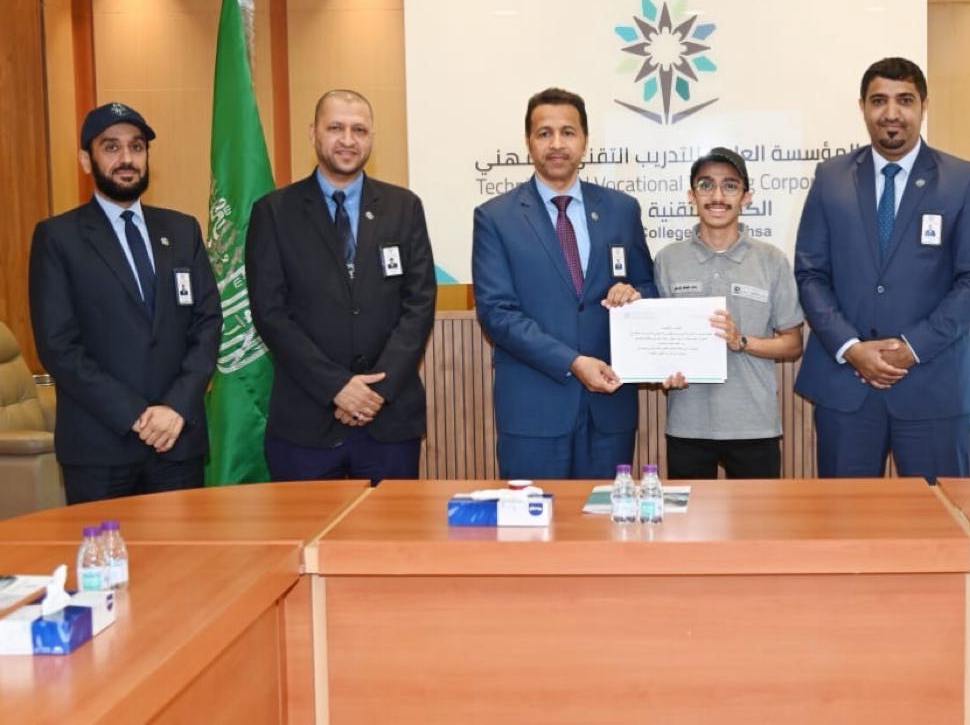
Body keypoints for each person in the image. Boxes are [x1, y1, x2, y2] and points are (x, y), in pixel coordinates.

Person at [793, 57, 970, 481]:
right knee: (844, 518)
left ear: (924, 106)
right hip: (846, 386)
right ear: (862, 107)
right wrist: (851, 347)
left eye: (905, 100)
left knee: (938, 516)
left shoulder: (964, 180)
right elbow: (811, 273)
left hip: (932, 385)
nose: (891, 113)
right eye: (878, 100)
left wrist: (912, 347)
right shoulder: (830, 178)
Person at [28, 102, 221, 503]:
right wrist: (135, 414)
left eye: (136, 147)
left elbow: (207, 323)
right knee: (105, 547)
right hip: (100, 447)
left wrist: (175, 407)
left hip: (176, 440)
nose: (127, 159)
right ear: (86, 160)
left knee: (184, 546)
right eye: (111, 147)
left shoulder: (182, 230)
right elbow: (58, 346)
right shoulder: (58, 238)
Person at [246, 89, 436, 483]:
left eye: (359, 130)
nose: (348, 140)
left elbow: (419, 305)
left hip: (388, 418)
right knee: (307, 526)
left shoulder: (404, 207)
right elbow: (270, 313)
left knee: (392, 526)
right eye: (335, 128)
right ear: (312, 133)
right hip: (305, 421)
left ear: (372, 137)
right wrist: (336, 386)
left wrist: (375, 391)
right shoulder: (273, 212)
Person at [472, 87, 655, 479]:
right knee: (535, 517)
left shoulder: (622, 210)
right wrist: (572, 362)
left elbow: (647, 286)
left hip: (610, 408)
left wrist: (634, 295)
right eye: (545, 133)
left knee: (606, 515)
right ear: (528, 142)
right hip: (533, 412)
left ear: (584, 140)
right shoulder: (495, 217)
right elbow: (497, 314)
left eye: (568, 132)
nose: (557, 144)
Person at [656, 148, 804, 479]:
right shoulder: (667, 260)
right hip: (688, 425)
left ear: (746, 197)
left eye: (730, 186)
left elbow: (793, 344)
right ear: (691, 196)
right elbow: (658, 340)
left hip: (755, 425)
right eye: (706, 185)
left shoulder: (771, 260)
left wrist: (741, 341)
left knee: (761, 516)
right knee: (690, 516)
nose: (717, 196)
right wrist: (665, 369)